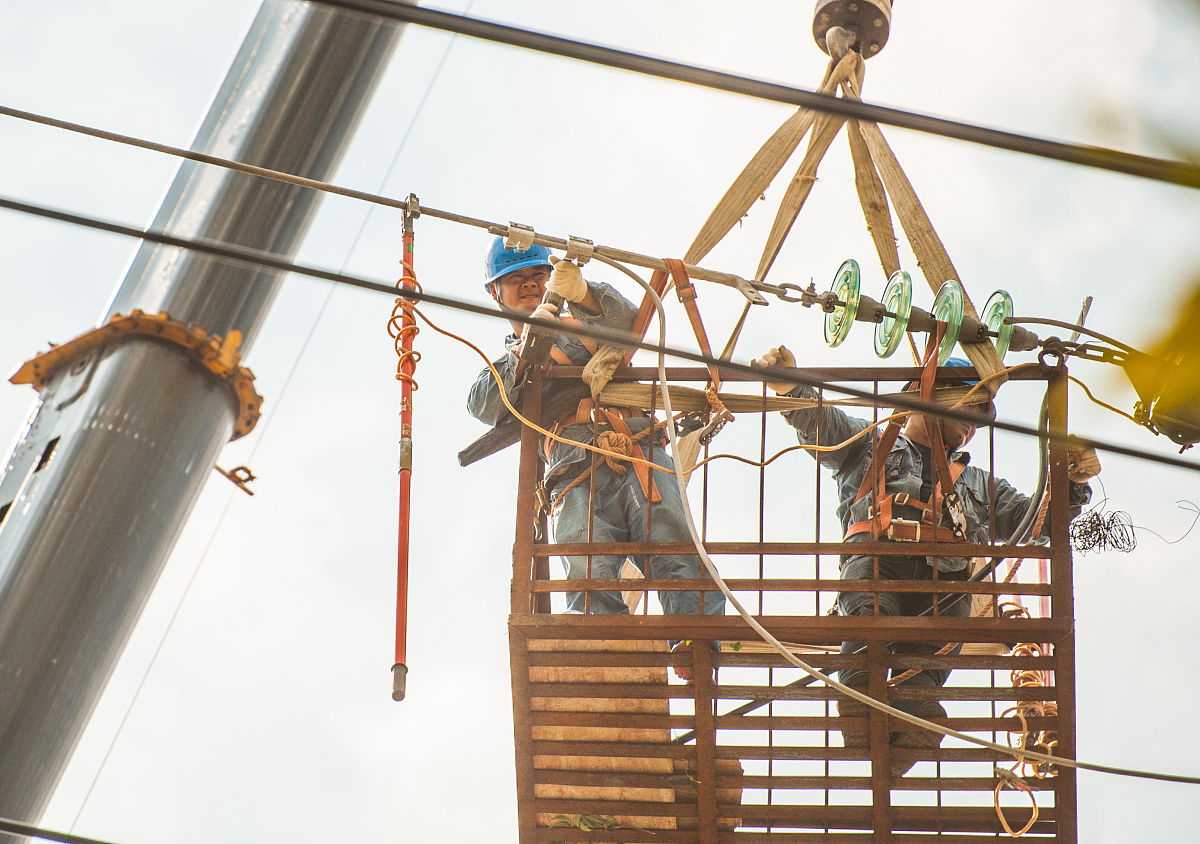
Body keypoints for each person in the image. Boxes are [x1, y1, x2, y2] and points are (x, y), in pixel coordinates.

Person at [751, 344, 1100, 775]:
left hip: (946, 579)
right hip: (879, 562)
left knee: (923, 674)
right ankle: (864, 711)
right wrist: (789, 382)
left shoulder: (976, 482)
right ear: (930, 396)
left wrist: (1070, 480)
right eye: (972, 407)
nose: (976, 425)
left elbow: (1036, 519)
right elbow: (819, 421)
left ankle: (911, 722)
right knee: (865, 647)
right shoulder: (870, 442)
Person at [467, 237, 725, 679]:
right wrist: (530, 343)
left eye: (537, 276)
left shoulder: (587, 321)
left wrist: (582, 293)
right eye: (515, 280)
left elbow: (630, 320)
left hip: (639, 448)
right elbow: (482, 405)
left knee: (672, 537)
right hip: (574, 468)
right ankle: (607, 656)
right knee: (586, 564)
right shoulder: (504, 363)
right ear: (496, 293)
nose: (530, 286)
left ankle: (696, 638)